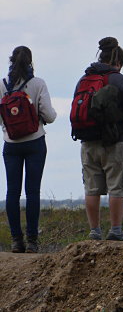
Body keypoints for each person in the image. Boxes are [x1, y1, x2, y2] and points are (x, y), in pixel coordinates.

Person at [74, 38, 123, 242]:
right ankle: (116, 230)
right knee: (116, 187)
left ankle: (94, 231)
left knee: (92, 188)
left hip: (87, 141)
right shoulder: (120, 79)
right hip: (115, 140)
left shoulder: (83, 80)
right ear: (119, 61)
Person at [1, 47, 57, 253]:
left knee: (12, 192)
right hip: (35, 142)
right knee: (32, 192)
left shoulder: (3, 84)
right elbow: (49, 115)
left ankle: (16, 241)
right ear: (30, 62)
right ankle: (32, 241)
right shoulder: (38, 83)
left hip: (11, 144)